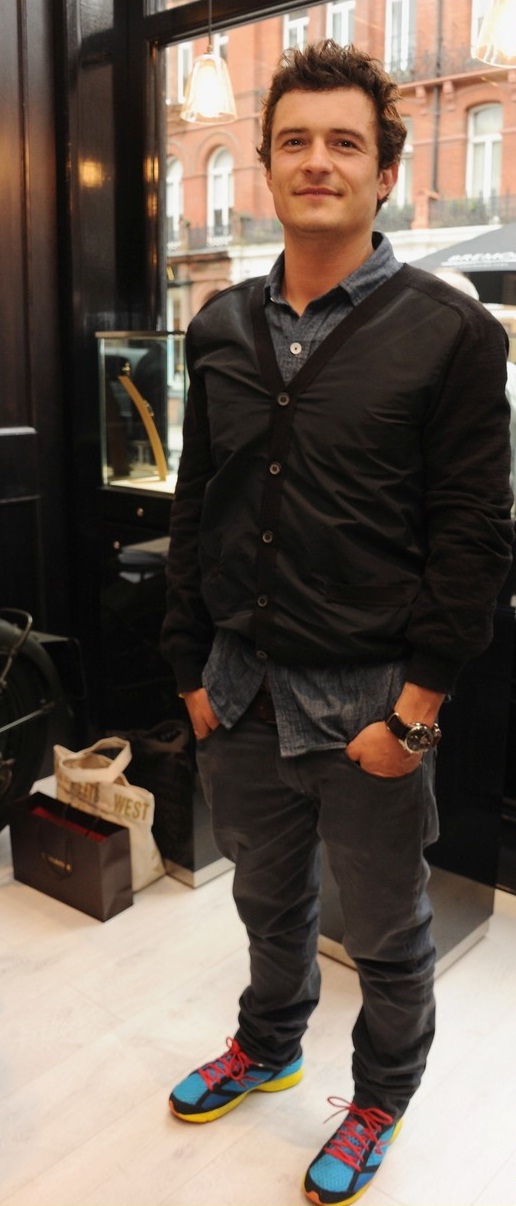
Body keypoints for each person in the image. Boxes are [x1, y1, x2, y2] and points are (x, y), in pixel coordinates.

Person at [161, 40, 513, 1205]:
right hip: (239, 689)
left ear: (386, 172)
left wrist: (415, 715)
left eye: (345, 142)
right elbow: (200, 506)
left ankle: (380, 1098)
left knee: (388, 931)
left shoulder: (454, 334)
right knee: (267, 901)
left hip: (371, 701)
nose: (318, 160)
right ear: (266, 166)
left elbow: (474, 539)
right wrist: (189, 670)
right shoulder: (219, 326)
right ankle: (269, 1045)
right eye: (296, 141)